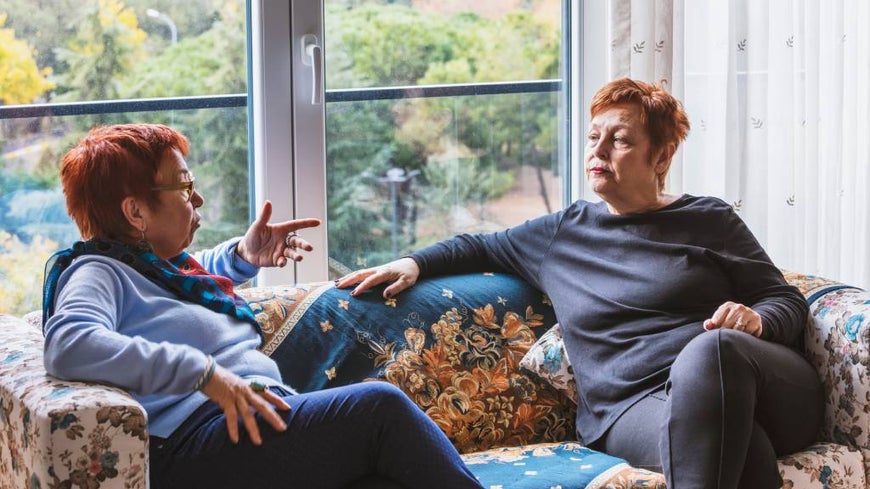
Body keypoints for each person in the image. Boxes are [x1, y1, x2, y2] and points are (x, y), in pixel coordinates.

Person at [336, 78, 823, 489]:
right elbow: (480, 245)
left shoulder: (709, 218)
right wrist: (413, 263)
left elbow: (783, 298)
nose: (599, 151)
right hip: (633, 407)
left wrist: (756, 320)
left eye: (621, 140)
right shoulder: (562, 234)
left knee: (711, 351)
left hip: (756, 383)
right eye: (594, 138)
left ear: (662, 155)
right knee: (745, 449)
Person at [42, 123, 484, 489]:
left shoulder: (157, 265)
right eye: (184, 186)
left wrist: (243, 256)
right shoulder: (98, 272)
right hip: (192, 446)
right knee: (379, 409)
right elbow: (70, 343)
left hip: (240, 429)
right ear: (136, 212)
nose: (197, 200)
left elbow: (189, 282)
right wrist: (202, 373)